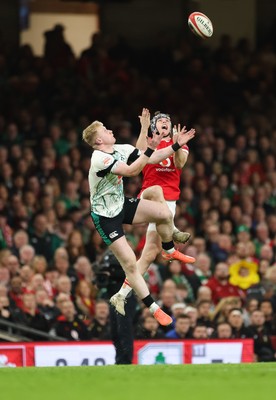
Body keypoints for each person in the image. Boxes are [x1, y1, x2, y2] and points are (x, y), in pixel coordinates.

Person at [82, 119, 195, 327]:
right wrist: (149, 149)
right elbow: (133, 171)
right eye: (106, 130)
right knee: (130, 264)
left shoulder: (121, 148)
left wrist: (177, 144)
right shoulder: (99, 158)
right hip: (106, 218)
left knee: (163, 213)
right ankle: (154, 308)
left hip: (121, 204)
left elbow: (154, 159)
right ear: (99, 139)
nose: (110, 129)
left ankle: (169, 248)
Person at [110, 108, 194, 315]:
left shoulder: (179, 142)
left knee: (148, 254)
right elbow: (138, 157)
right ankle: (171, 237)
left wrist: (177, 145)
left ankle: (121, 294)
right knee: (156, 190)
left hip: (169, 203)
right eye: (161, 120)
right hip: (148, 197)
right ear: (155, 125)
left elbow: (180, 165)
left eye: (168, 120)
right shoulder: (148, 141)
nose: (166, 122)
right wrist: (144, 128)